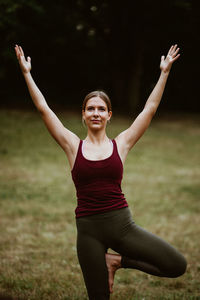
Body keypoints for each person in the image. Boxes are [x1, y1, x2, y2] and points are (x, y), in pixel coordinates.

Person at [15, 44, 187, 300]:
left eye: (101, 109)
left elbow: (149, 109)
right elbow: (43, 109)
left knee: (176, 265)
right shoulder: (73, 146)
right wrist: (27, 73)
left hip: (122, 226)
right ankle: (106, 262)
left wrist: (164, 72)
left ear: (109, 115)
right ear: (83, 115)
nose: (96, 113)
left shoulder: (122, 144)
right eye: (90, 109)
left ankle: (116, 261)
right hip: (88, 232)